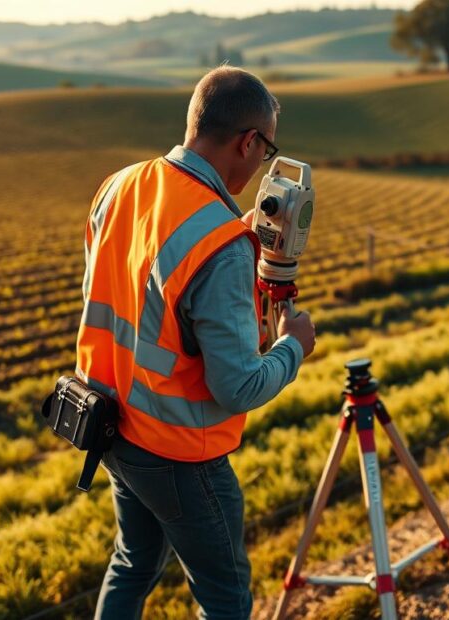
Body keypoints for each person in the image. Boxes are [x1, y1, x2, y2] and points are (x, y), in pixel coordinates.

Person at [75, 66, 315, 620]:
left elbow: (135, 294)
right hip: (179, 450)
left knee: (132, 564)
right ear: (249, 142)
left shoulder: (120, 185)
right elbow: (236, 387)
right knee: (225, 598)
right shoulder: (221, 244)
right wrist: (293, 347)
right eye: (265, 149)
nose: (260, 165)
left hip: (112, 424)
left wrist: (233, 235)